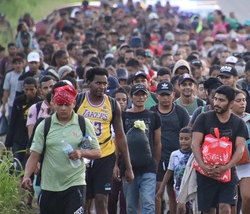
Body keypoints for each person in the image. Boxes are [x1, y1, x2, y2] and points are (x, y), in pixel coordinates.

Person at [21, 85, 102, 214]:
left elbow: (97, 152)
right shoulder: (44, 125)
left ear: (74, 104)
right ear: (54, 104)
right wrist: (26, 176)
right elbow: (34, 155)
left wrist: (81, 153)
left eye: (67, 104)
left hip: (75, 184)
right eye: (60, 104)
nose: (63, 108)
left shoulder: (83, 123)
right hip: (49, 186)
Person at [75, 67, 134, 214]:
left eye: (105, 83)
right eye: (98, 83)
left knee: (102, 200)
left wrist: (128, 167)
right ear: (89, 82)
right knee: (83, 201)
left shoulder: (113, 105)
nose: (102, 87)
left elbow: (120, 136)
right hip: (82, 155)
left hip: (105, 154)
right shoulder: (79, 100)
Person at [192, 85, 247, 214]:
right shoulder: (203, 118)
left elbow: (240, 149)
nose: (216, 103)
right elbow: (195, 144)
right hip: (205, 171)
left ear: (231, 103)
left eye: (221, 100)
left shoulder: (239, 123)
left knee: (225, 208)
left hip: (227, 172)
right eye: (215, 99)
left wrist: (226, 167)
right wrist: (203, 166)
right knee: (208, 210)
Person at [150, 81, 190, 214]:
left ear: (173, 95)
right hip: (158, 158)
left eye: (168, 95)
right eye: (162, 95)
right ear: (157, 96)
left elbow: (188, 133)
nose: (165, 98)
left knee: (174, 194)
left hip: (178, 159)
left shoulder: (180, 112)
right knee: (157, 192)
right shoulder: (152, 112)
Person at [122, 84, 161, 214]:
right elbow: (118, 142)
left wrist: (155, 163)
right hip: (128, 167)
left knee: (148, 204)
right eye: (137, 95)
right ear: (131, 98)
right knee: (131, 206)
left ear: (147, 96)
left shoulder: (154, 116)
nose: (140, 97)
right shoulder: (123, 117)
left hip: (148, 167)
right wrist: (117, 164)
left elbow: (157, 143)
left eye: (143, 94)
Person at [156, 127, 193, 214]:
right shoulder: (175, 155)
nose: (183, 141)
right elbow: (169, 171)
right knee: (180, 208)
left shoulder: (195, 154)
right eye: (181, 139)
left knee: (192, 209)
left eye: (186, 139)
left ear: (192, 139)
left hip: (192, 187)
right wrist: (161, 189)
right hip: (179, 187)